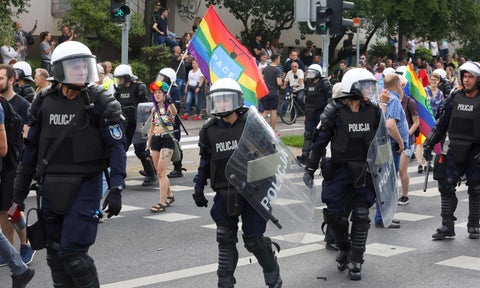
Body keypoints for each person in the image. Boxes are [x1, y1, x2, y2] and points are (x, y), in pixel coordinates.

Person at [11, 41, 126, 287]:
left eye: (85, 66)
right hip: (50, 186)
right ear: (61, 70)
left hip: (86, 184)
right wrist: (18, 195)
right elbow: (30, 151)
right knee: (54, 254)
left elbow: (117, 146)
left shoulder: (99, 101)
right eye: (76, 66)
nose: (83, 71)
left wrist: (116, 186)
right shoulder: (43, 101)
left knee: (73, 255)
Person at [192, 78, 282, 288]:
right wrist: (198, 186)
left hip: (254, 192)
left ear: (237, 101)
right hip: (225, 192)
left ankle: (272, 270)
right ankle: (225, 283)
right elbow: (206, 160)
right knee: (224, 239)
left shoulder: (252, 123)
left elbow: (272, 156)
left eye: (226, 99)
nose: (222, 104)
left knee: (253, 240)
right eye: (218, 100)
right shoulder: (209, 129)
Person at [305, 68, 383, 280]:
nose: (369, 90)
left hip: (363, 173)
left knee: (361, 216)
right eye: (365, 86)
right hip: (338, 172)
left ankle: (356, 260)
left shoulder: (374, 111)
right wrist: (310, 169)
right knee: (335, 216)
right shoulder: (334, 111)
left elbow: (380, 141)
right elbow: (319, 140)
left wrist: (384, 167)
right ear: (353, 88)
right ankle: (343, 246)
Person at [423, 61, 480, 240]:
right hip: (455, 148)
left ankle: (474, 225)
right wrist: (429, 143)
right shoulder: (455, 96)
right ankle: (447, 226)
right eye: (465, 76)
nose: (467, 80)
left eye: (471, 77)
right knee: (445, 184)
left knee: (476, 188)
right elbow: (442, 122)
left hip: (476, 151)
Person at [0, 104, 34, 286]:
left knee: (12, 211)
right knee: (4, 213)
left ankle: (26, 243)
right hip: (5, 167)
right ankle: (14, 261)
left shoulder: (20, 102)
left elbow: (6, 146)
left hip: (11, 166)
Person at [374, 73, 409, 227]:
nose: (403, 88)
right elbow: (390, 125)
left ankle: (384, 216)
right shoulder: (393, 100)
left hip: (384, 145)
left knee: (385, 181)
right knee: (387, 183)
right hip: (392, 146)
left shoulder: (384, 98)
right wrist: (401, 142)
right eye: (402, 85)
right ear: (397, 85)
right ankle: (382, 218)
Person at [114, 64, 157, 186]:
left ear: (127, 77)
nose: (119, 81)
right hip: (125, 124)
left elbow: (144, 106)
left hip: (138, 124)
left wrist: (143, 124)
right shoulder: (118, 90)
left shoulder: (139, 87)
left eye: (121, 78)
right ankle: (120, 175)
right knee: (121, 150)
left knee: (140, 150)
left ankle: (150, 173)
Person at [147, 81, 177, 212]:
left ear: (164, 94)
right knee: (159, 172)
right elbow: (152, 127)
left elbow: (174, 113)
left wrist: (170, 101)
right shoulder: (154, 110)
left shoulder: (169, 107)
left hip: (167, 139)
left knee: (161, 171)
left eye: (160, 92)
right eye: (155, 93)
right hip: (155, 140)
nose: (157, 95)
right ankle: (170, 195)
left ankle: (162, 202)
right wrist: (148, 144)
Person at [297, 64, 332, 165]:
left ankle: (319, 156)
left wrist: (328, 113)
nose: (310, 75)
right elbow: (307, 100)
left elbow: (330, 98)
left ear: (318, 73)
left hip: (320, 113)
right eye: (310, 72)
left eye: (313, 73)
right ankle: (305, 156)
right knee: (308, 134)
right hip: (309, 113)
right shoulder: (309, 83)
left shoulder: (324, 82)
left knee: (319, 136)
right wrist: (305, 114)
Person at [156, 68, 186, 178]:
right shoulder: (161, 91)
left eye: (162, 77)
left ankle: (178, 168)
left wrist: (168, 102)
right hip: (161, 122)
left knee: (174, 144)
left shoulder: (174, 90)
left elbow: (176, 107)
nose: (160, 79)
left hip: (172, 123)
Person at [261, 54, 282, 131]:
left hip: (265, 92)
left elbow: (262, 79)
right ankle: (272, 130)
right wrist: (282, 83)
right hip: (274, 92)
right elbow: (279, 82)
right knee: (273, 112)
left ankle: (258, 125)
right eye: (279, 59)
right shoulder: (277, 70)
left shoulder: (265, 68)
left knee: (265, 111)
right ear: (276, 60)